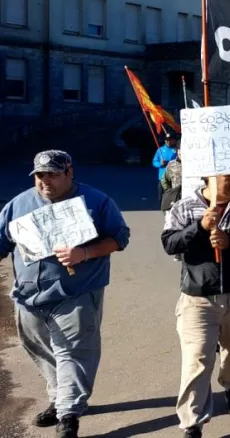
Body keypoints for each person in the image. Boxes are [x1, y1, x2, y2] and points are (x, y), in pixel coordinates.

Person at [0, 150, 131, 438]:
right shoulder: (19, 204)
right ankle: (61, 398)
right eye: (39, 175)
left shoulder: (96, 202)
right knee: (43, 351)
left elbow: (120, 237)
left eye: (53, 174)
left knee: (73, 353)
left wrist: (84, 252)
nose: (45, 181)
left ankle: (69, 414)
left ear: (69, 172)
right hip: (29, 297)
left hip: (77, 293)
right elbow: (2, 242)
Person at [162, 174, 230, 438]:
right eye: (228, 177)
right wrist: (199, 228)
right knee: (196, 358)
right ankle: (192, 422)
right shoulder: (184, 205)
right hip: (198, 297)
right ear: (208, 177)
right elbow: (169, 243)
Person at [153, 132, 180, 203]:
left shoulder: (177, 150)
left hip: (174, 177)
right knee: (161, 195)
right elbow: (154, 162)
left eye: (170, 139)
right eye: (167, 139)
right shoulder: (160, 150)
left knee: (174, 196)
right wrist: (160, 164)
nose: (168, 141)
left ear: (174, 140)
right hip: (162, 177)